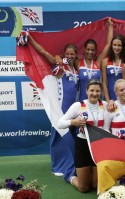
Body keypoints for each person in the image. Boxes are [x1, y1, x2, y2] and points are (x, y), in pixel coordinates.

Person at [27, 34, 78, 182]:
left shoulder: (76, 67)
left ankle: (69, 163)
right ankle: (57, 166)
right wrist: (30, 39)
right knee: (58, 135)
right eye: (67, 54)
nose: (69, 56)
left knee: (71, 137)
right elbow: (43, 52)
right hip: (60, 106)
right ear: (64, 55)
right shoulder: (59, 64)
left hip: (73, 107)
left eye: (72, 54)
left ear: (75, 55)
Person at [58, 79, 107, 192]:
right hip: (83, 145)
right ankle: (70, 177)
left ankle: (88, 175)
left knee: (95, 186)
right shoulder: (78, 105)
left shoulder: (104, 105)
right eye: (92, 90)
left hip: (98, 146)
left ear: (101, 92)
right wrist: (73, 122)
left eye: (98, 91)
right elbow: (60, 123)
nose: (95, 94)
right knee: (83, 188)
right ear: (86, 91)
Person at [101, 34, 125, 102]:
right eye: (114, 45)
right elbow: (104, 83)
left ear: (123, 47)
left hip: (123, 97)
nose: (116, 47)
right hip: (109, 97)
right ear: (111, 45)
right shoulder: (105, 61)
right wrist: (108, 100)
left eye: (119, 45)